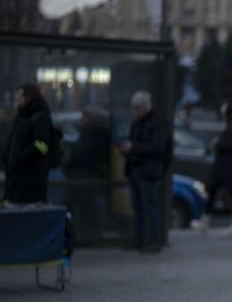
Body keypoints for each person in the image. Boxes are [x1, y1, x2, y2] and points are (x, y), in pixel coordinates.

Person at [121, 91, 168, 253]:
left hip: (148, 171)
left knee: (149, 207)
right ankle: (140, 238)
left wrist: (133, 148)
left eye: (137, 108)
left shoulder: (157, 123)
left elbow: (158, 147)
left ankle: (153, 240)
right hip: (136, 168)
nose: (135, 112)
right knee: (139, 207)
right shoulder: (139, 123)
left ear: (143, 107)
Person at [196, 102, 232, 235]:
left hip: (224, 166)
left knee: (212, 192)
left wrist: (217, 143)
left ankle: (205, 223)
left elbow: (225, 145)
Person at [64, 106, 111, 243]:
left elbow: (84, 155)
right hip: (83, 176)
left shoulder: (93, 135)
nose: (82, 120)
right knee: (85, 208)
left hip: (85, 176)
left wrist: (70, 165)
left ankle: (87, 235)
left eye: (85, 117)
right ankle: (86, 234)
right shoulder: (89, 134)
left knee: (84, 208)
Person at [2, 84, 55, 204]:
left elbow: (43, 146)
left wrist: (20, 157)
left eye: (20, 96)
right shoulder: (21, 117)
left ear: (28, 98)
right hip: (15, 180)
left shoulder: (40, 117)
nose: (18, 99)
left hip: (31, 180)